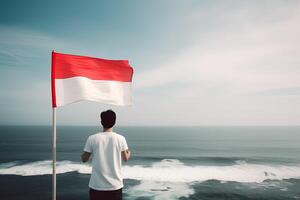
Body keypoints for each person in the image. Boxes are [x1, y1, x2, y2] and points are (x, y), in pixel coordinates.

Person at [81, 109, 131, 200]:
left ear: (101, 122)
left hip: (96, 186)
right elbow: (126, 158)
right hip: (115, 186)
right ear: (114, 122)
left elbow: (84, 159)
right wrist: (129, 152)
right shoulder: (121, 138)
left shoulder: (92, 138)